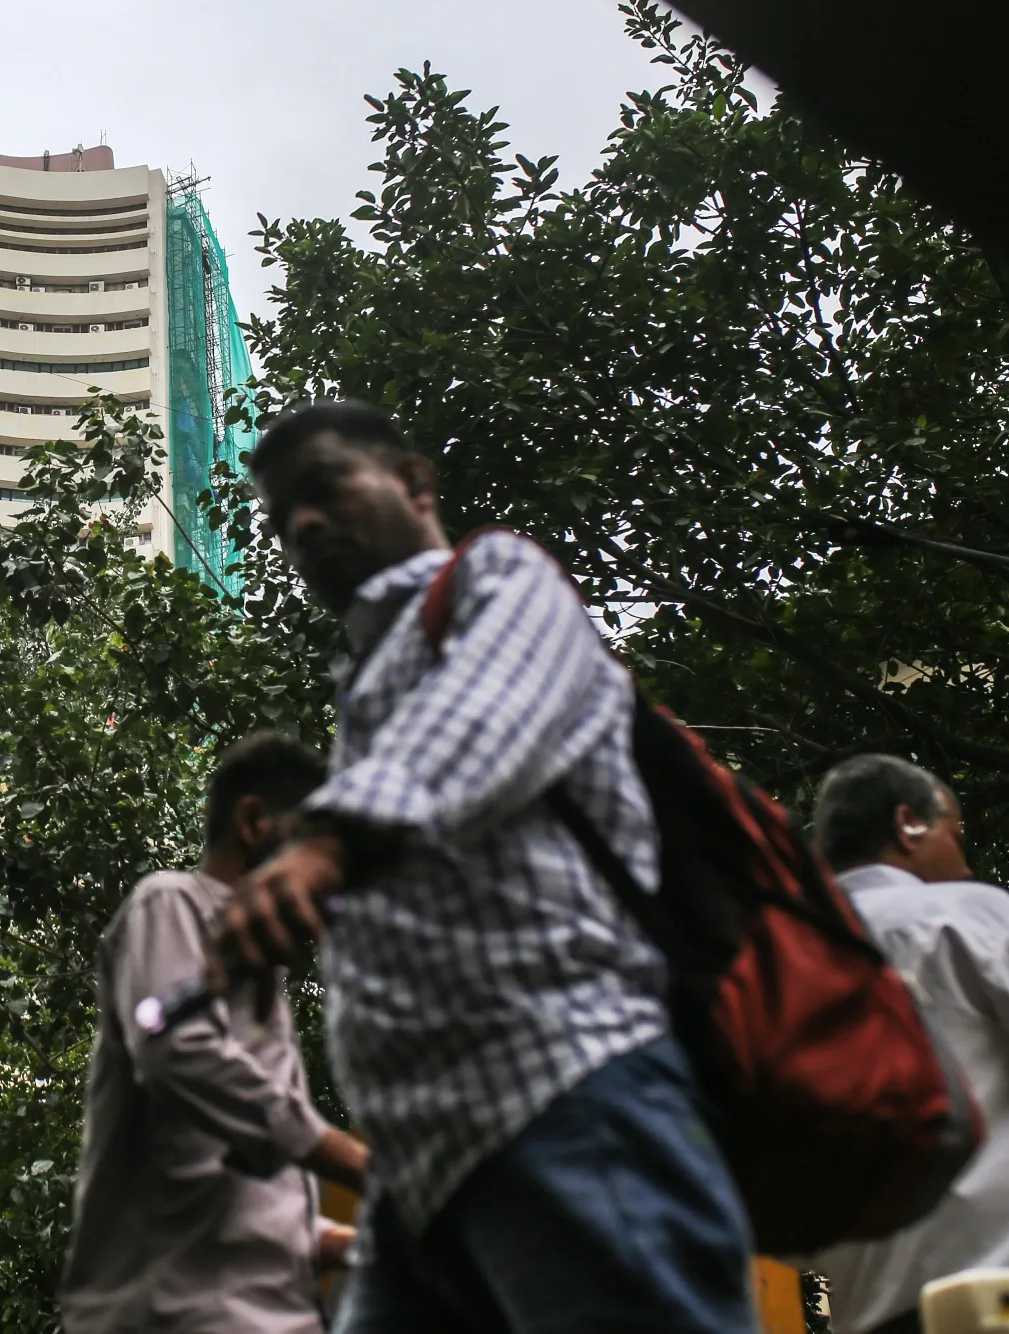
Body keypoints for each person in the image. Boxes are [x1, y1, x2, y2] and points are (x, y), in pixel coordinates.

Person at [211, 401, 756, 1333]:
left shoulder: (500, 578)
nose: (301, 528)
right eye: (279, 520)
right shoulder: (372, 680)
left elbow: (483, 719)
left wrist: (326, 843)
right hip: (423, 1167)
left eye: (323, 490)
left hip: (564, 1093)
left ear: (417, 483)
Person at [801, 754, 1009, 1334]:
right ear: (908, 823)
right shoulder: (964, 916)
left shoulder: (772, 973)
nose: (962, 862)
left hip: (874, 1316)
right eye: (956, 834)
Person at [62, 731, 370, 1334]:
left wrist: (353, 1242)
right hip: (177, 1311)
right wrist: (361, 1166)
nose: (326, 890)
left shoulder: (269, 992)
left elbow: (244, 1199)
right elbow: (179, 1053)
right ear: (254, 822)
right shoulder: (172, 904)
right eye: (314, 857)